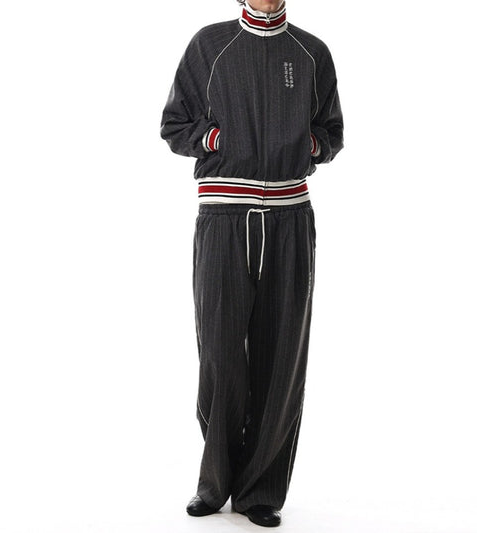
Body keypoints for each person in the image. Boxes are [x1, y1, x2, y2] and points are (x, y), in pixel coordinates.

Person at [160, 0, 343, 527]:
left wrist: (307, 144)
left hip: (290, 216)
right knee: (220, 353)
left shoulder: (311, 52)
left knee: (281, 353)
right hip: (224, 213)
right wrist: (217, 139)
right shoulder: (210, 45)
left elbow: (332, 132)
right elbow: (174, 125)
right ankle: (216, 481)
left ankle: (260, 491)